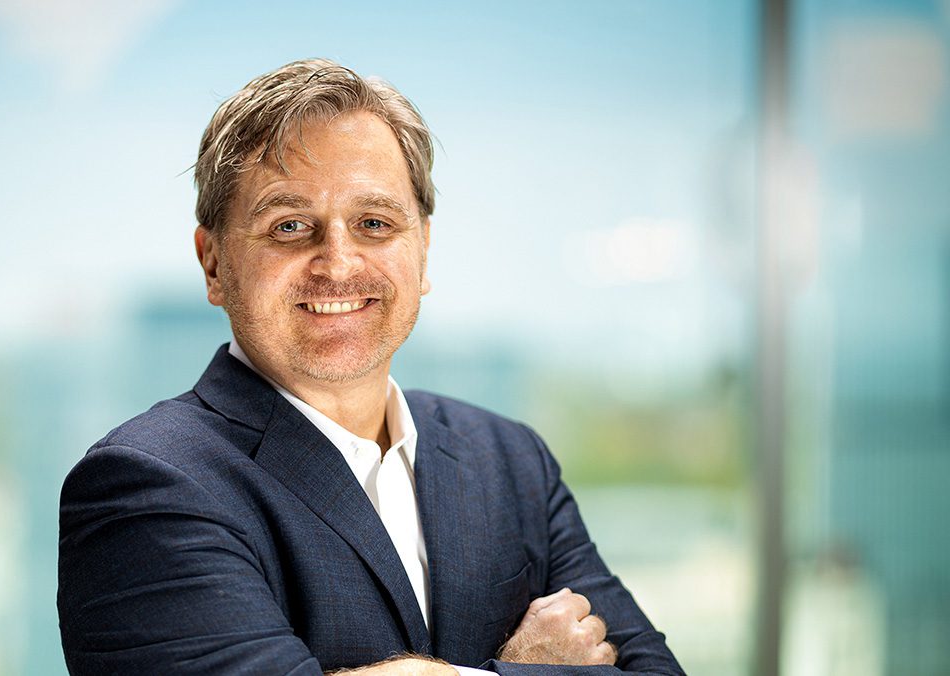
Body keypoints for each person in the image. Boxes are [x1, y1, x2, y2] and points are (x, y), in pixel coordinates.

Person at [57, 58, 685, 675]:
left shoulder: (511, 460)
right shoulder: (145, 483)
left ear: (424, 247)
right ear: (214, 261)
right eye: (290, 225)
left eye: (375, 223)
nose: (336, 262)